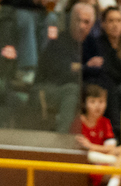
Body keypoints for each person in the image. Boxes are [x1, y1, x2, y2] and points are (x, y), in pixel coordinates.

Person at [36, 1, 96, 134]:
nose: (81, 26)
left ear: (91, 25)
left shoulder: (91, 44)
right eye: (78, 20)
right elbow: (63, 73)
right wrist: (87, 67)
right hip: (47, 88)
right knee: (72, 89)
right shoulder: (59, 42)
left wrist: (79, 68)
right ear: (70, 20)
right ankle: (62, 139)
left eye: (86, 22)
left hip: (73, 89)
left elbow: (101, 69)